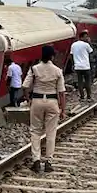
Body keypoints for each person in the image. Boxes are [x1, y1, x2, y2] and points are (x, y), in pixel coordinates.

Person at [22, 44, 67, 173]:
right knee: (51, 132)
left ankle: (36, 160)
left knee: (35, 131)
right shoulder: (58, 71)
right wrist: (63, 109)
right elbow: (62, 92)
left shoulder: (34, 69)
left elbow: (25, 86)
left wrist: (28, 99)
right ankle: (48, 161)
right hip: (52, 102)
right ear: (52, 56)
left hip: (37, 100)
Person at [70, 31, 94, 102]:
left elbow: (71, 55)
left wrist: (73, 64)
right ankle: (89, 97)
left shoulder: (73, 45)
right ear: (81, 37)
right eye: (85, 36)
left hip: (77, 67)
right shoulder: (86, 45)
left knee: (80, 82)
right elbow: (91, 52)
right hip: (86, 66)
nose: (87, 38)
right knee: (87, 82)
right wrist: (90, 42)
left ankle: (82, 97)